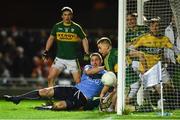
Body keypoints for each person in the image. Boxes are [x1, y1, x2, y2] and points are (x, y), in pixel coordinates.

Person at [4, 53, 106, 111]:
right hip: (73, 89)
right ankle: (17, 98)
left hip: (83, 98)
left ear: (101, 61)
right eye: (92, 60)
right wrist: (105, 66)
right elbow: (90, 72)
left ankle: (47, 108)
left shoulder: (107, 75)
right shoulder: (89, 67)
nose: (94, 62)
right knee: (45, 91)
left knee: (58, 106)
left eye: (97, 60)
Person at [128, 18, 180, 110]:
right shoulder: (143, 38)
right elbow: (130, 48)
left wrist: (178, 54)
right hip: (147, 68)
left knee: (170, 87)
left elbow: (174, 48)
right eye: (153, 26)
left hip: (160, 67)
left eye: (157, 26)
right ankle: (155, 105)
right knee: (157, 88)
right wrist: (137, 54)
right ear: (150, 27)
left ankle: (172, 105)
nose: (155, 28)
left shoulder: (164, 39)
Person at [42, 6, 89, 87]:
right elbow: (51, 38)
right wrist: (46, 51)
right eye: (65, 14)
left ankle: (78, 99)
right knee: (50, 78)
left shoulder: (76, 27)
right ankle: (52, 99)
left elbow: (84, 39)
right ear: (62, 16)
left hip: (73, 59)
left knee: (78, 82)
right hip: (59, 58)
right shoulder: (57, 26)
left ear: (72, 16)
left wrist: (86, 53)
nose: (67, 17)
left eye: (69, 14)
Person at [96, 37, 117, 112]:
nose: (99, 50)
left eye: (100, 48)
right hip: (134, 74)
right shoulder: (119, 50)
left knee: (117, 91)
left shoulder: (107, 59)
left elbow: (111, 78)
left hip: (128, 79)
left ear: (107, 47)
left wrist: (102, 93)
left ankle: (107, 106)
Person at [164, 15, 180, 108]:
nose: (174, 19)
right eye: (173, 17)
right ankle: (172, 104)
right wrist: (166, 56)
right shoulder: (167, 29)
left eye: (176, 17)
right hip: (171, 61)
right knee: (170, 83)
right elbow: (166, 44)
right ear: (171, 18)